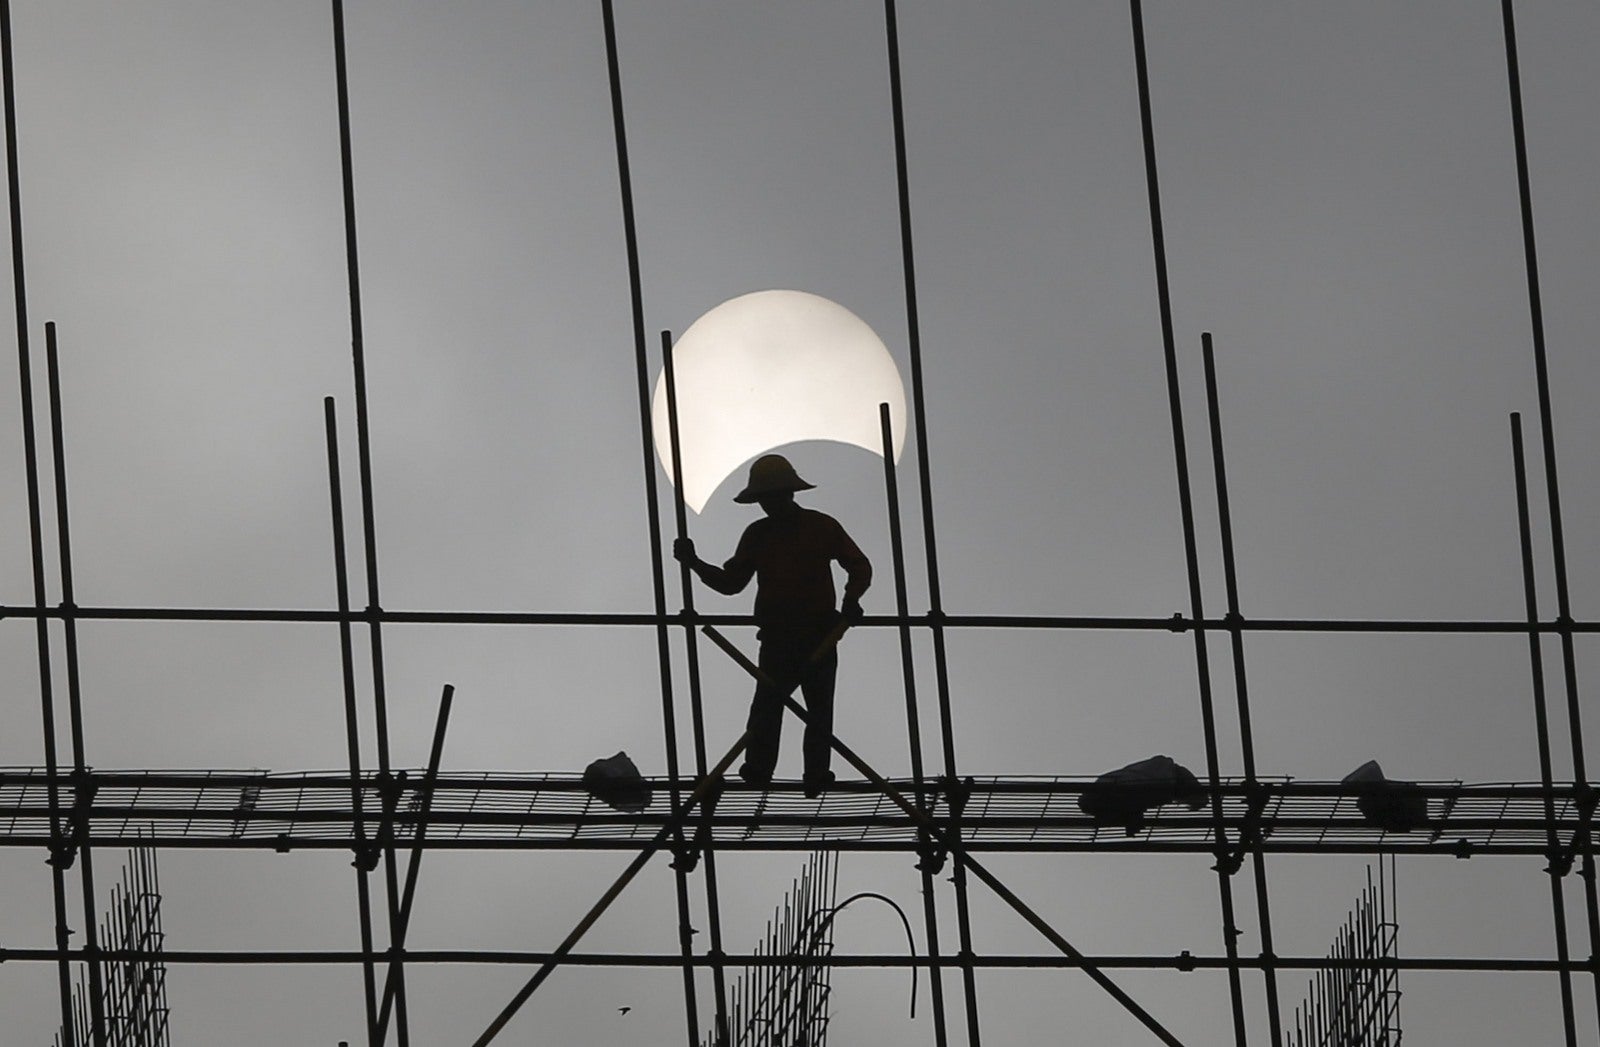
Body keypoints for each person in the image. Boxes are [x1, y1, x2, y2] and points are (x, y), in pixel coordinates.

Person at [674, 454, 871, 797]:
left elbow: (859, 566)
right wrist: (693, 563)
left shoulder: (821, 526)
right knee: (767, 706)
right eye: (764, 499)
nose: (768, 504)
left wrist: (850, 601)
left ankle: (815, 773)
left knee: (818, 709)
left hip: (819, 633)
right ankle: (759, 771)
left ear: (788, 493)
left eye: (772, 496)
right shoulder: (758, 534)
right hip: (778, 635)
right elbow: (731, 583)